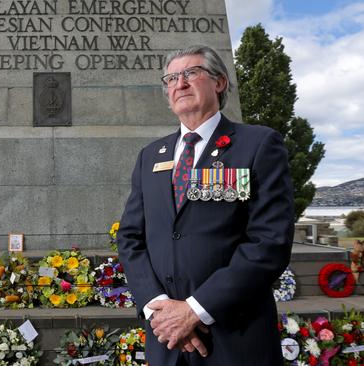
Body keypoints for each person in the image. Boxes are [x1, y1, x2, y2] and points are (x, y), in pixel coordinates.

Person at [116, 45, 294, 365]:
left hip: (234, 338)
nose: (179, 84)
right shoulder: (150, 156)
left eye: (190, 74)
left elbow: (268, 242)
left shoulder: (256, 145)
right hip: (167, 339)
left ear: (220, 82)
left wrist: (195, 310)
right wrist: (159, 307)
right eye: (171, 78)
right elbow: (131, 237)